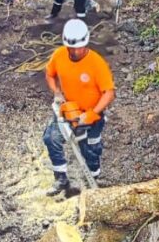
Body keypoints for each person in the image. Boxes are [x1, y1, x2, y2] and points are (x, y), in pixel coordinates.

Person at [43, 19, 114, 196]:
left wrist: (93, 113)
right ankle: (61, 178)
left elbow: (109, 93)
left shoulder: (96, 63)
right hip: (68, 109)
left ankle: (94, 180)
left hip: (92, 115)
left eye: (78, 47)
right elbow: (49, 74)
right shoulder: (59, 55)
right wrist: (57, 92)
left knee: (90, 148)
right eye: (71, 48)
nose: (74, 51)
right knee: (51, 138)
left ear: (86, 43)